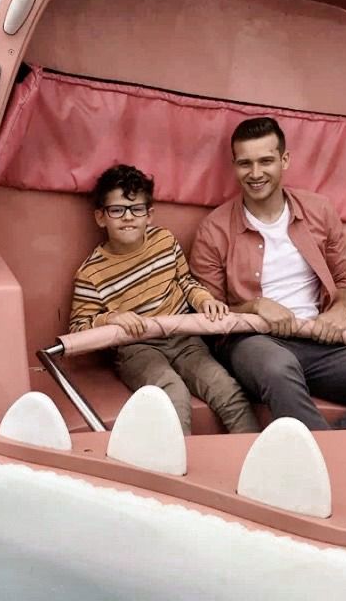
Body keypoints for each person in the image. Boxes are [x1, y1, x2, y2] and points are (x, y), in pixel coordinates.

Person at [190, 117, 346, 430]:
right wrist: (255, 306)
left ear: (284, 160)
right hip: (253, 344)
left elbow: (345, 282)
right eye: (245, 164)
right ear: (234, 165)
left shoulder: (319, 211)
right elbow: (208, 315)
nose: (255, 174)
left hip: (318, 344)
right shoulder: (213, 230)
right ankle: (328, 460)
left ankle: (326, 447)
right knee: (279, 367)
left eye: (266, 161)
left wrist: (340, 309)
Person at [69, 164, 260, 435]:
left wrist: (204, 299)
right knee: (173, 393)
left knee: (226, 388)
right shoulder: (91, 273)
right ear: (101, 217)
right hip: (137, 348)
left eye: (136, 209)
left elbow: (185, 282)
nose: (128, 217)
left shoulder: (164, 240)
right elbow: (78, 329)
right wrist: (111, 319)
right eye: (117, 210)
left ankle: (252, 456)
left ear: (149, 215)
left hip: (183, 337)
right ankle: (178, 468)